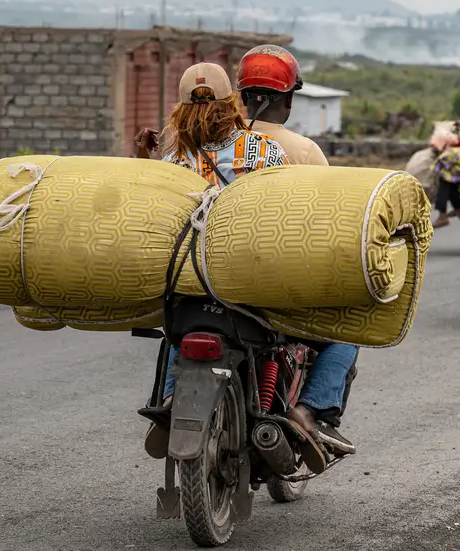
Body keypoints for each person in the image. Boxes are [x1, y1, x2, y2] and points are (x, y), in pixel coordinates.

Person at [140, 47, 358, 473]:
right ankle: (310, 412)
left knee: (174, 329)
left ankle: (168, 399)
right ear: (230, 103)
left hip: (189, 280)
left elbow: (156, 215)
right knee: (342, 334)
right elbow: (288, 214)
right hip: (252, 279)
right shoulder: (266, 152)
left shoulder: (172, 160)